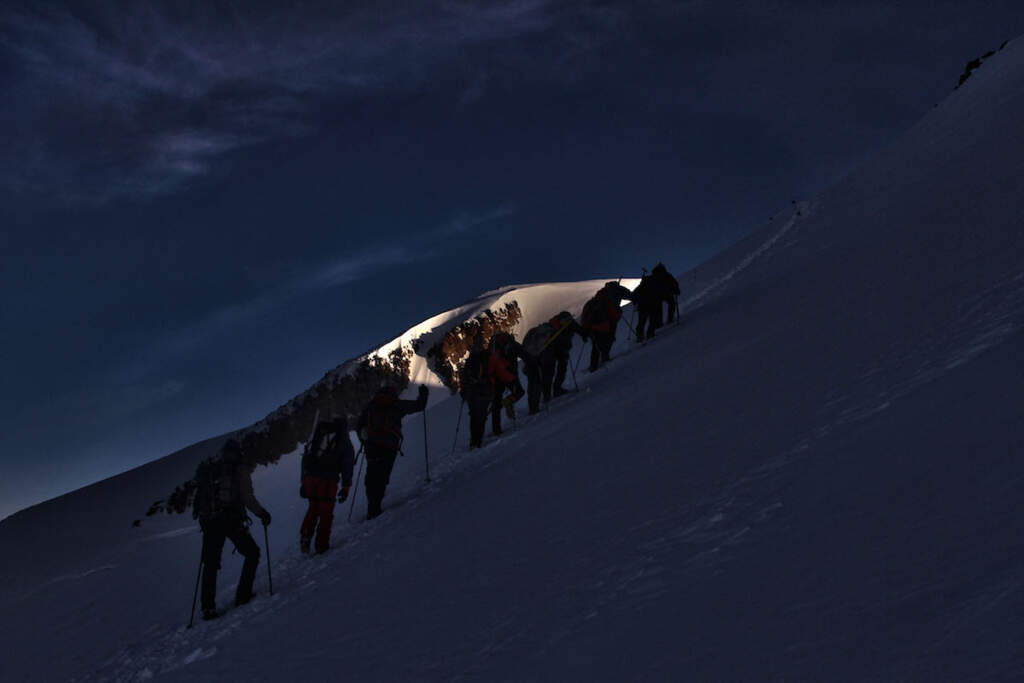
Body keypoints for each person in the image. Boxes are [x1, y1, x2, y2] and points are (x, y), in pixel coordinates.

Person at [192, 439, 271, 621]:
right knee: (252, 553)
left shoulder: (213, 468)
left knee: (211, 563)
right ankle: (243, 596)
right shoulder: (239, 469)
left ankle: (208, 607)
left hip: (210, 521)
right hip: (231, 520)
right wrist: (262, 514)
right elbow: (247, 497)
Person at [357, 384, 429, 519]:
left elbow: (359, 426)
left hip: (372, 447)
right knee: (382, 476)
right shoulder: (396, 405)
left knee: (371, 476)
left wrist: (364, 442)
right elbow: (419, 406)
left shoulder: (371, 406)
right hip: (389, 447)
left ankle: (372, 507)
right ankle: (375, 507)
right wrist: (423, 394)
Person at [299, 414, 355, 554]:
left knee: (313, 507)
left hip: (311, 478)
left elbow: (306, 457)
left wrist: (303, 481)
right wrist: (346, 486)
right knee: (326, 512)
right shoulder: (343, 438)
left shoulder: (319, 433)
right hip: (328, 480)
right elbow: (347, 463)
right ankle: (321, 546)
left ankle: (306, 536)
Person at [521, 311, 585, 414]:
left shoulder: (551, 328)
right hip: (549, 352)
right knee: (549, 372)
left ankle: (546, 396)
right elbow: (575, 331)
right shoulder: (558, 329)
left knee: (546, 374)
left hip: (546, 353)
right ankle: (553, 392)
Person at [580, 281, 634, 372]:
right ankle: (605, 357)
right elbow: (629, 295)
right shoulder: (614, 293)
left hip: (594, 325)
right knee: (608, 339)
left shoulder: (600, 296)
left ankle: (594, 365)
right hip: (608, 322)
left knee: (596, 344)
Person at [487, 332, 526, 434]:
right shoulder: (510, 344)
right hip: (508, 375)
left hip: (496, 377)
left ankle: (496, 430)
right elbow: (523, 353)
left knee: (496, 403)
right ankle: (508, 401)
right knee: (519, 392)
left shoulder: (493, 348)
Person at [460, 335, 493, 448]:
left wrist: (464, 392)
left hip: (471, 393)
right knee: (482, 415)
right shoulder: (486, 357)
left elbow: (464, 378)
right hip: (484, 390)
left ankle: (474, 441)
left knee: (474, 416)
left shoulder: (470, 360)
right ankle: (478, 440)